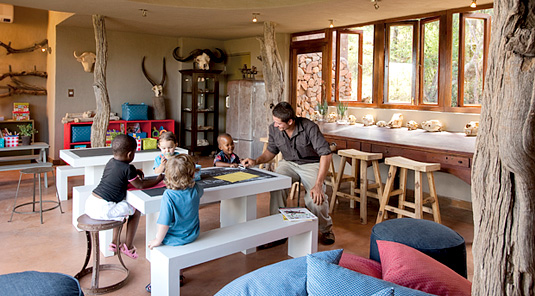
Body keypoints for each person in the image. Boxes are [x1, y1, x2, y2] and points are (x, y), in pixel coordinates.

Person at [242, 102, 335, 245]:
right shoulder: (274, 129)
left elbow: (326, 154)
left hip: (311, 164)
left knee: (315, 198)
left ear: (290, 121)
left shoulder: (309, 127)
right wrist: (256, 160)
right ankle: (277, 230)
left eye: (278, 123)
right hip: (289, 164)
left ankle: (326, 229)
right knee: (277, 185)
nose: (275, 125)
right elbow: (271, 151)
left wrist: (318, 184)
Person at [85, 134, 164, 259]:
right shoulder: (128, 168)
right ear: (129, 154)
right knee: (136, 209)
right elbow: (140, 185)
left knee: (121, 208)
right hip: (104, 208)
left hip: (91, 202)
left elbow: (118, 176)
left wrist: (135, 172)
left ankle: (114, 242)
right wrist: (158, 179)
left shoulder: (111, 162)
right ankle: (128, 246)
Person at [146, 154, 204, 292]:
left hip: (174, 238)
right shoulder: (196, 189)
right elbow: (200, 191)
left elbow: (164, 223)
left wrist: (157, 240)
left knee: (156, 249)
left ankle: (157, 281)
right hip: (192, 233)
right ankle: (178, 275)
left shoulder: (169, 196)